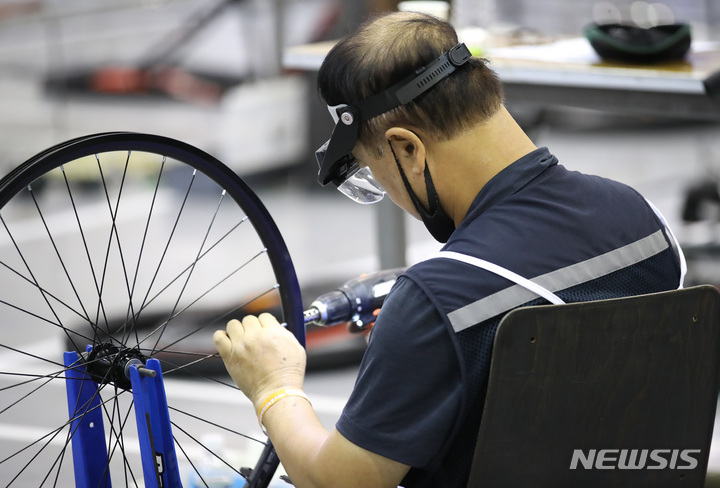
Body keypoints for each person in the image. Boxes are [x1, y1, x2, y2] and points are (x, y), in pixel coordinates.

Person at [213, 11, 685, 488]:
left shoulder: (434, 301)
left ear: (408, 150)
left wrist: (274, 388)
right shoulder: (644, 219)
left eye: (372, 172)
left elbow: (341, 481)